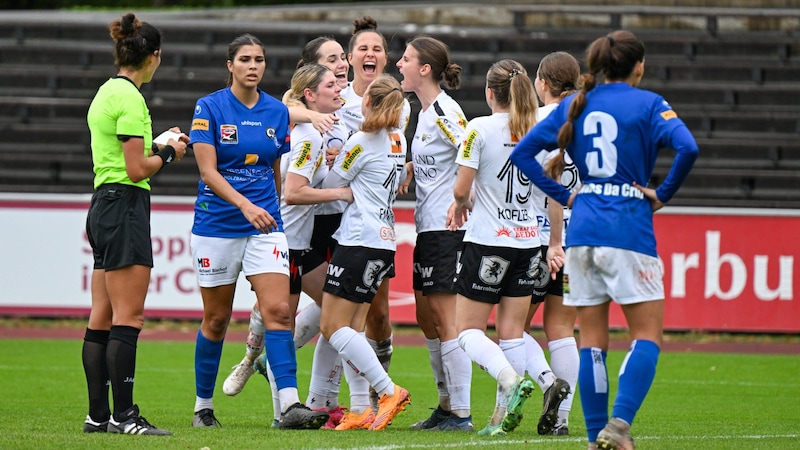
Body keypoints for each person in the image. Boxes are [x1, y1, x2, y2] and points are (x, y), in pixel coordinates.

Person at [509, 30, 699, 450]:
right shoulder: (649, 103)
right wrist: (662, 195)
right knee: (646, 335)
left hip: (584, 232)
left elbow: (522, 154)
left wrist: (566, 195)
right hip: (629, 226)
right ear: (639, 66)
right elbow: (687, 147)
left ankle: (596, 439)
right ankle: (620, 425)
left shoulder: (577, 104)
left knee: (592, 341)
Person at [188, 33, 328, 430]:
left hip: (266, 227)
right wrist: (246, 205)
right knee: (216, 319)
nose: (253, 66)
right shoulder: (210, 107)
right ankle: (202, 407)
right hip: (217, 226)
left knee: (280, 311)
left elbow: (274, 168)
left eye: (260, 60)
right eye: (245, 59)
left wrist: (272, 208)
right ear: (230, 65)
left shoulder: (276, 111)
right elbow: (207, 171)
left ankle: (289, 406)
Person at [446, 59, 570, 437]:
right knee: (512, 331)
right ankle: (544, 383)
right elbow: (553, 194)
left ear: (489, 92)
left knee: (466, 330)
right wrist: (553, 243)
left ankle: (511, 380)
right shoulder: (541, 131)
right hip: (530, 243)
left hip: (488, 241)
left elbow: (461, 190)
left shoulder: (478, 128)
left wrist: (462, 204)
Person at [82, 12, 187, 436]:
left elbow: (124, 158)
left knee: (101, 315)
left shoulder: (107, 91)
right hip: (124, 205)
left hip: (104, 204)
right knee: (130, 317)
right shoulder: (131, 99)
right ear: (154, 57)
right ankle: (125, 418)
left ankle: (98, 416)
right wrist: (170, 152)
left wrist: (157, 143)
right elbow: (137, 168)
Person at [319, 74, 411, 431]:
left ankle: (388, 391)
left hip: (358, 240)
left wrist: (333, 158)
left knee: (331, 325)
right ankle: (361, 409)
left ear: (369, 103)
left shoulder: (361, 140)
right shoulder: (398, 139)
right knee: (354, 328)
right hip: (384, 242)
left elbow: (332, 184)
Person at [395, 35, 473, 431]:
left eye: (406, 59)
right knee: (427, 319)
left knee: (446, 322)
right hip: (427, 229)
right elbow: (439, 158)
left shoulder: (444, 109)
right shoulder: (422, 114)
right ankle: (445, 405)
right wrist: (411, 166)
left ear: (425, 69)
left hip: (448, 231)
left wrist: (463, 199)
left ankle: (461, 412)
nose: (399, 64)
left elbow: (470, 152)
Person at [523, 51, 583, 436]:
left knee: (513, 330)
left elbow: (551, 187)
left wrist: (553, 241)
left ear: (542, 83)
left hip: (539, 238)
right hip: (582, 237)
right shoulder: (589, 121)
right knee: (562, 329)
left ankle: (514, 402)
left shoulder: (541, 122)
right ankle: (559, 423)